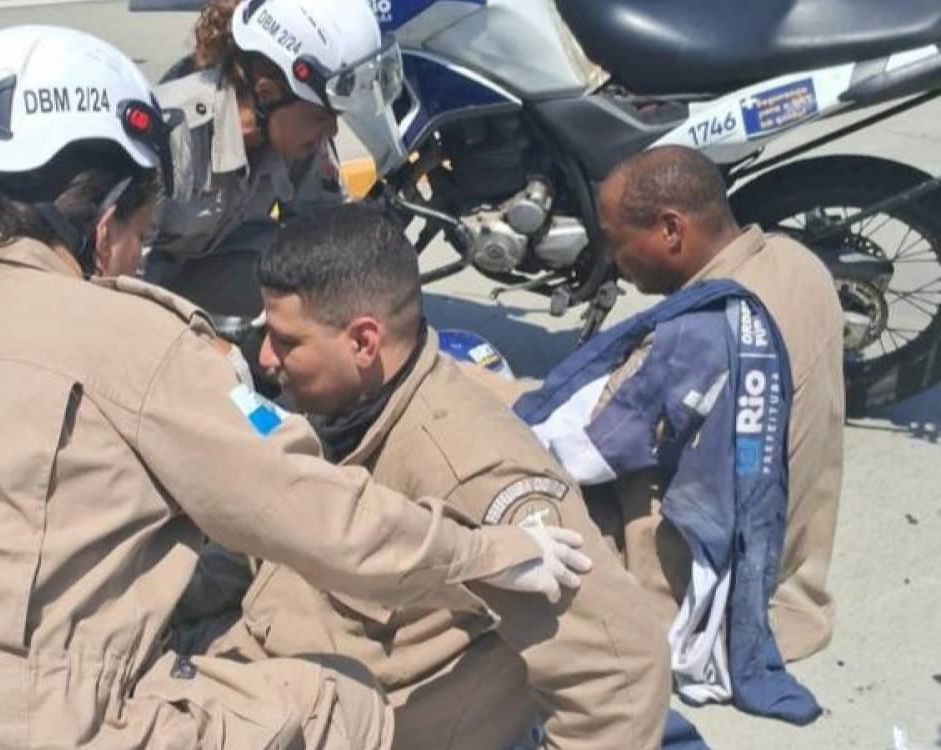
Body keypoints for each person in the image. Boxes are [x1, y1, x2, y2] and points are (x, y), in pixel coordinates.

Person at [0, 26, 587, 750]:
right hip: (23, 727)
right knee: (338, 700)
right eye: (146, 225)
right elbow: (317, 513)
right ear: (109, 217)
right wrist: (487, 554)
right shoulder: (136, 338)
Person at [179, 204, 671, 750]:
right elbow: (268, 545)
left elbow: (621, 669)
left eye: (287, 341)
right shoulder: (336, 408)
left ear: (364, 343)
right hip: (257, 683)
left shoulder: (470, 468)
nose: (266, 357)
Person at [514, 146, 841, 722]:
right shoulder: (797, 262)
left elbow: (575, 446)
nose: (612, 260)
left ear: (671, 229)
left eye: (616, 241)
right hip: (796, 580)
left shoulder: (695, 335)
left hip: (721, 594)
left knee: (526, 488)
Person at [144, 0, 402, 328]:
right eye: (323, 116)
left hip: (203, 276)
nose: (332, 130)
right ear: (267, 92)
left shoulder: (299, 136)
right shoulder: (171, 135)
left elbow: (324, 237)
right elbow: (114, 280)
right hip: (137, 299)